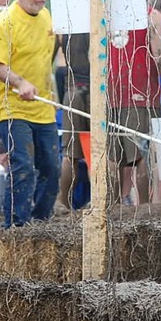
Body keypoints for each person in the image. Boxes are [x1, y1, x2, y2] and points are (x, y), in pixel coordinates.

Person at [0, 0, 60, 228]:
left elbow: (49, 55)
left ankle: (40, 223)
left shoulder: (47, 17)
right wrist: (20, 82)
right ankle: (15, 227)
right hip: (12, 109)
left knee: (52, 168)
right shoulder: (4, 23)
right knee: (23, 166)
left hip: (43, 109)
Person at [107, 0, 161, 206]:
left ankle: (113, 207)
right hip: (142, 94)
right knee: (143, 154)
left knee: (113, 157)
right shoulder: (151, 16)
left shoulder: (106, 15)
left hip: (110, 93)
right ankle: (144, 208)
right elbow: (159, 56)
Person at [56, 33, 90, 213]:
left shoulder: (67, 24)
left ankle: (64, 203)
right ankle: (99, 202)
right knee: (97, 152)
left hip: (72, 89)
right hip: (94, 89)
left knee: (70, 154)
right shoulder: (100, 21)